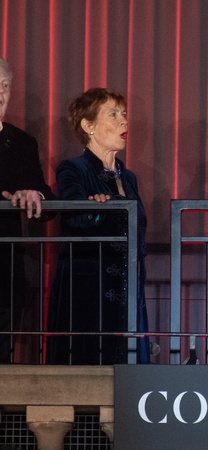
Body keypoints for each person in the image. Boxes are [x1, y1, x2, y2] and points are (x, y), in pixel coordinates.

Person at [47, 88, 150, 364]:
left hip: (129, 290)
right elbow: (74, 216)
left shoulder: (129, 178)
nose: (124, 121)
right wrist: (97, 210)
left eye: (124, 114)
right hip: (89, 292)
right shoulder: (73, 169)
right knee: (90, 369)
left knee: (131, 373)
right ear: (88, 126)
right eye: (113, 115)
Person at [0, 57, 54, 363]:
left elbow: (46, 199)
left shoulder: (21, 142)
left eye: (5, 85)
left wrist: (35, 195)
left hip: (6, 269)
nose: (0, 93)